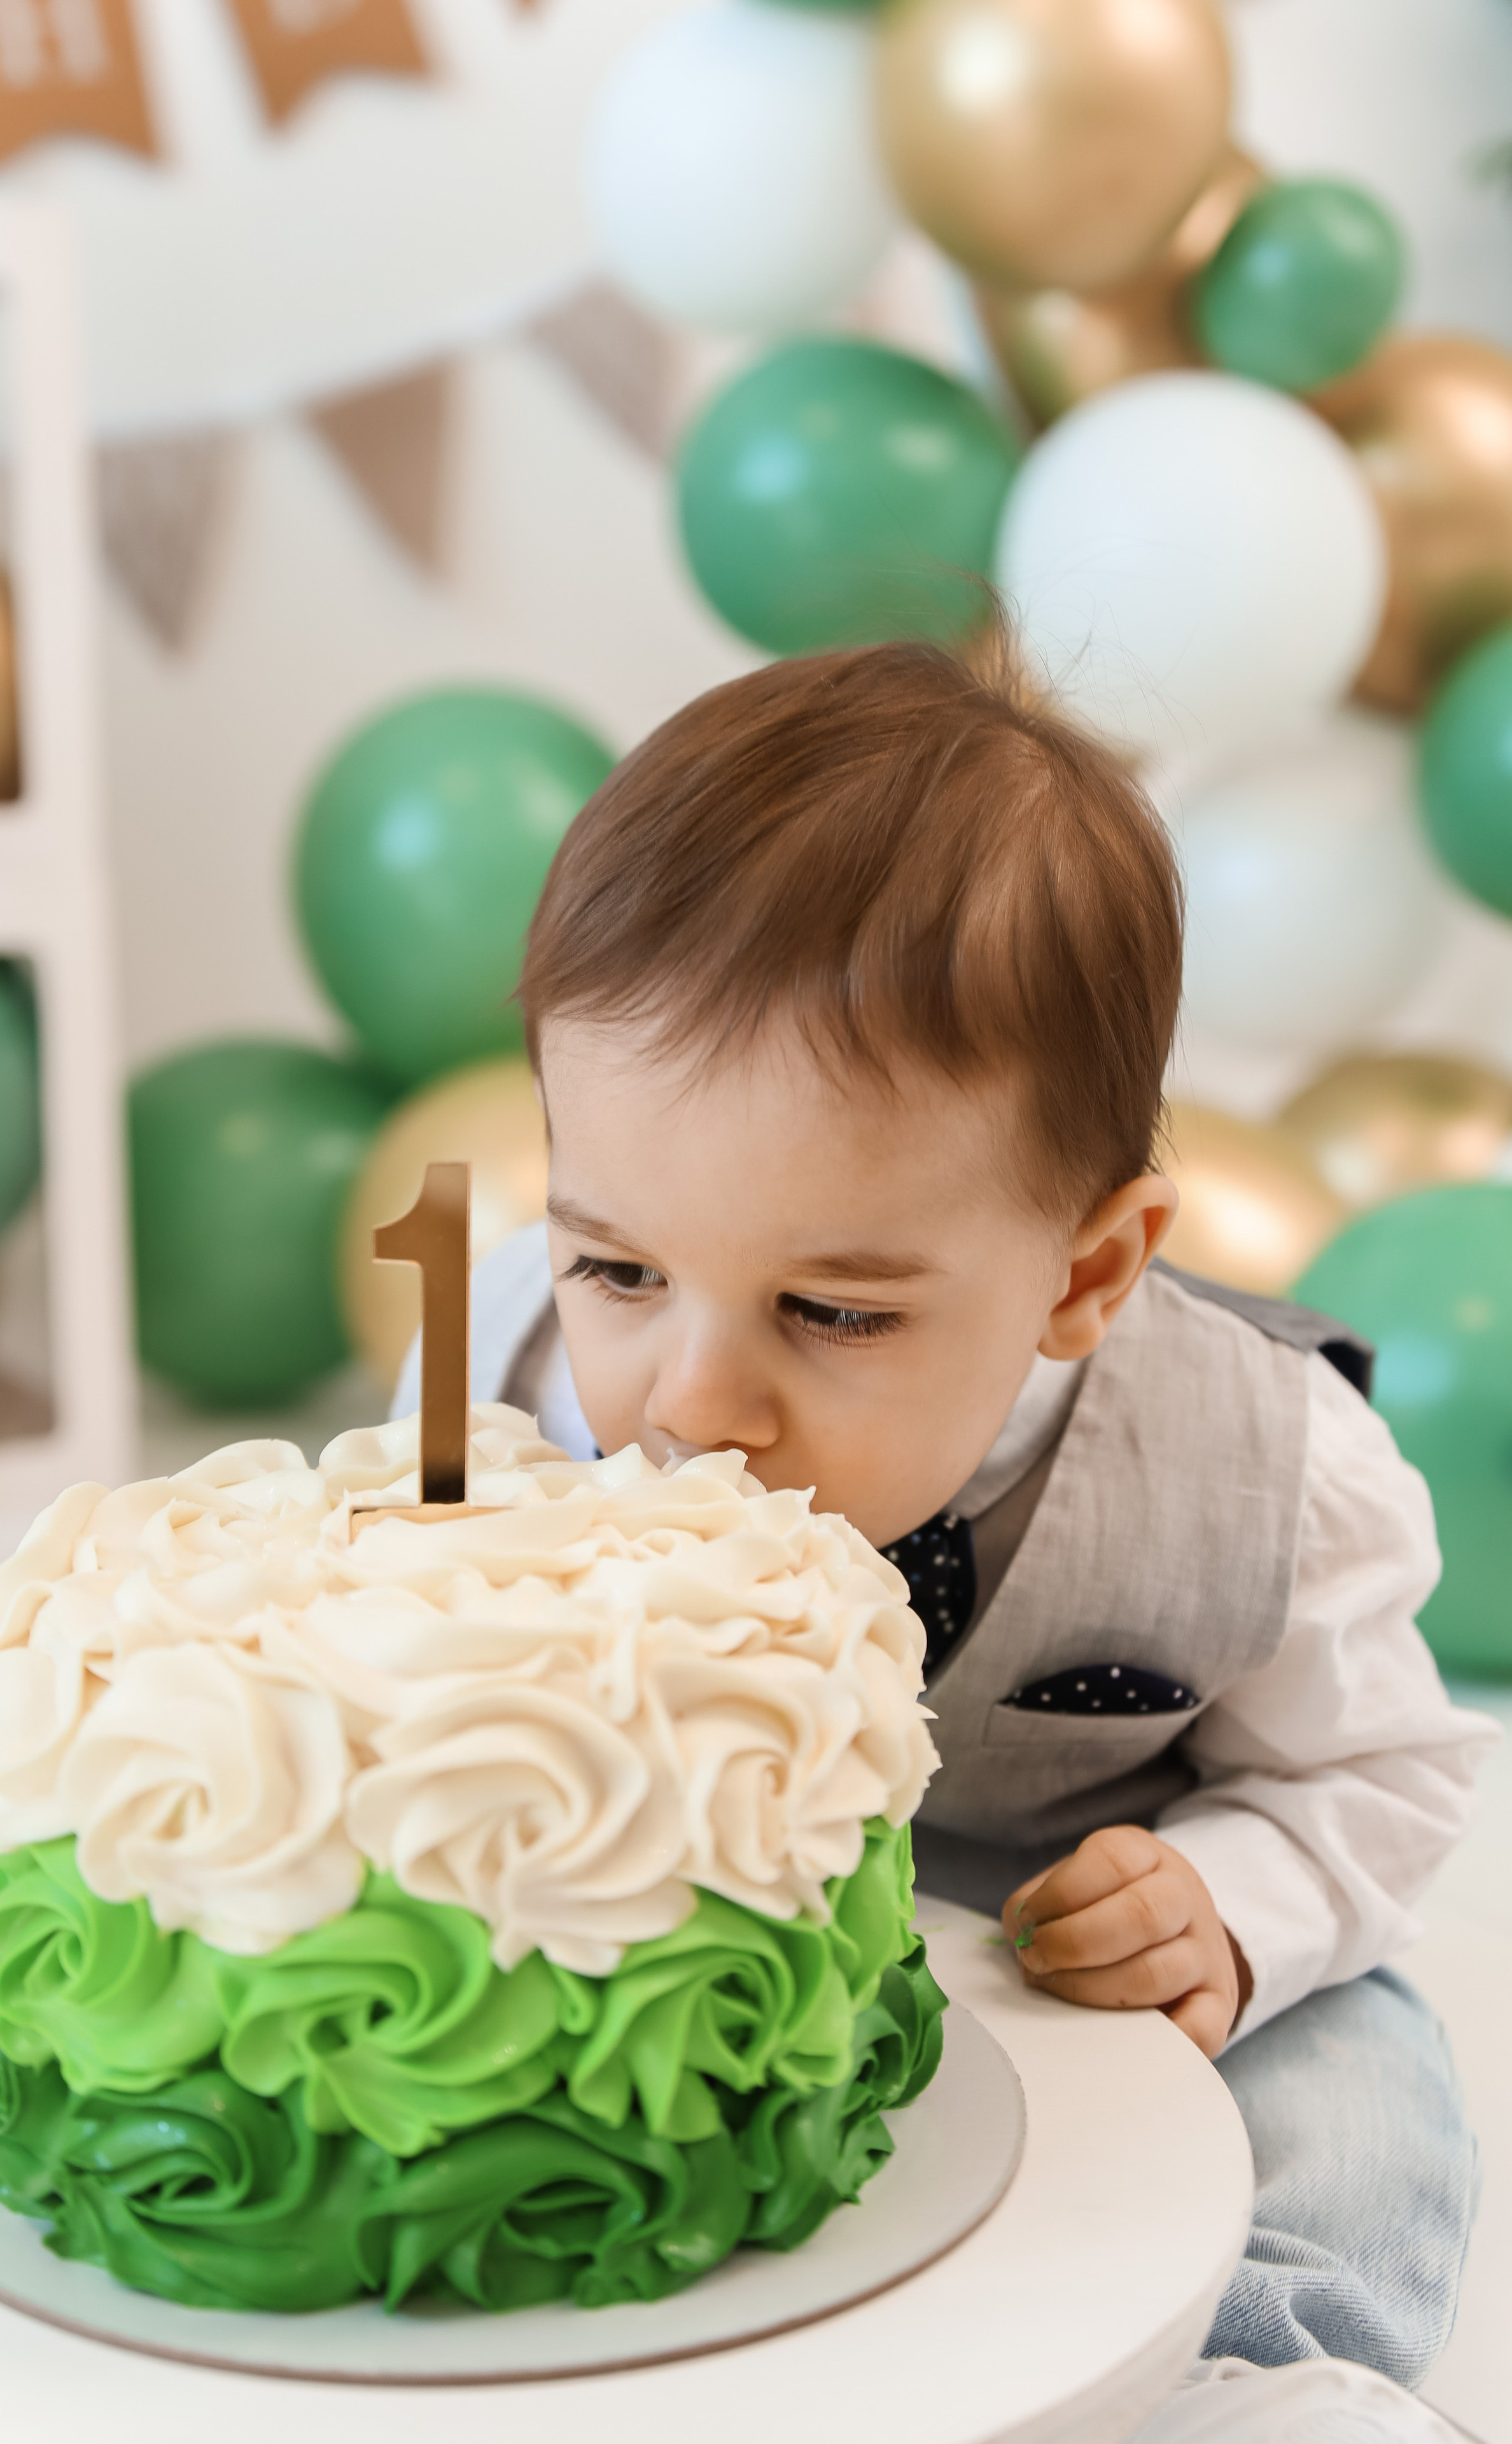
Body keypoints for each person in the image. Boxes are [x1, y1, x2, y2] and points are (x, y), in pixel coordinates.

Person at [392, 641, 1494, 2385]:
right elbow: (385, 1644)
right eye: (618, 1263)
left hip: (1069, 1920)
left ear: (1089, 1267)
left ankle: (1269, 2381)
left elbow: (1384, 1776)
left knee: (1363, 2091)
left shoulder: (1270, 1468)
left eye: (832, 1312)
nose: (690, 1401)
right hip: (692, 1902)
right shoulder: (504, 1387)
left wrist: (1225, 1906)